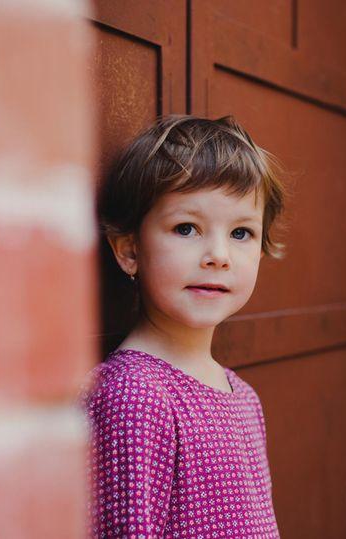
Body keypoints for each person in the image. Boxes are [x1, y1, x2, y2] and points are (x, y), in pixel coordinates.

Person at [82, 114, 287, 538]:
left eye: (242, 233)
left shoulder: (243, 396)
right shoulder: (134, 397)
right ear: (129, 250)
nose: (218, 255)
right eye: (187, 228)